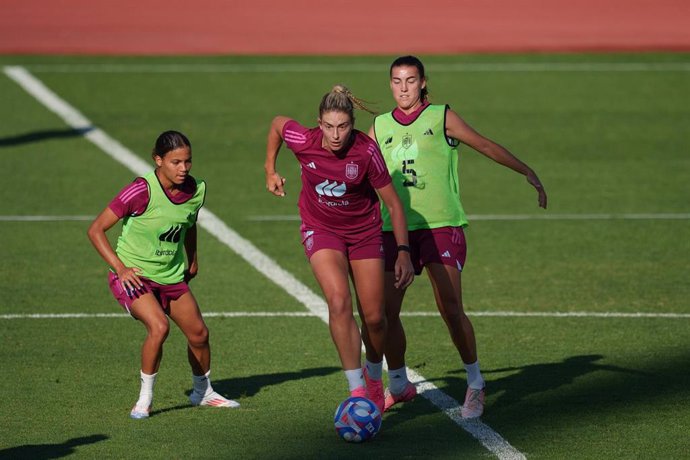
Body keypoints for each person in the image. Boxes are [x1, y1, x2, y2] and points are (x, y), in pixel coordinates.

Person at [369, 56, 547, 418]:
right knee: (384, 314)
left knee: (450, 308)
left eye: (411, 80)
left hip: (440, 225)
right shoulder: (379, 126)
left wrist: (525, 170)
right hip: (394, 229)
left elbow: (483, 144)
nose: (403, 88)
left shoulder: (441, 116)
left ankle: (476, 383)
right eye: (397, 81)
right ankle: (399, 384)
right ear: (390, 84)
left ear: (423, 83)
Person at [264, 85, 414, 412]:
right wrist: (270, 169)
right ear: (319, 123)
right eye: (329, 127)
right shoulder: (304, 141)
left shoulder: (365, 152)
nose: (335, 135)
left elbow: (394, 205)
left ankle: (374, 378)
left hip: (364, 232)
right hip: (322, 230)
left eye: (343, 127)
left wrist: (403, 251)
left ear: (352, 124)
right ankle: (357, 389)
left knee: (375, 317)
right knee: (337, 300)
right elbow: (278, 123)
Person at [87, 130, 239, 419]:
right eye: (176, 162)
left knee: (199, 334)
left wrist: (192, 258)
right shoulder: (141, 190)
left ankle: (203, 393)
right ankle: (145, 398)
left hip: (170, 275)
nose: (183, 169)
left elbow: (189, 222)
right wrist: (120, 269)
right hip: (135, 277)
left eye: (188, 161)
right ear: (158, 160)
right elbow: (95, 230)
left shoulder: (196, 190)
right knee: (159, 328)